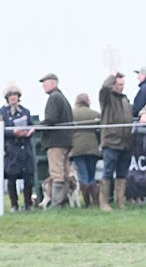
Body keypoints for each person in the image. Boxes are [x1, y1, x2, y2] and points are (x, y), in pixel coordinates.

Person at [98, 72, 133, 211]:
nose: (121, 87)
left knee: (122, 173)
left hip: (126, 142)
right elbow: (103, 88)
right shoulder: (106, 98)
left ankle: (120, 201)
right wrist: (111, 76)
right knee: (107, 172)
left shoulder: (125, 99)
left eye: (123, 84)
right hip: (111, 142)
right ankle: (104, 202)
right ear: (113, 85)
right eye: (119, 84)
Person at [39, 72, 73, 207]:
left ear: (53, 83)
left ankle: (57, 203)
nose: (43, 86)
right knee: (64, 172)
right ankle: (63, 201)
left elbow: (51, 119)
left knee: (56, 172)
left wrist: (37, 128)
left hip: (55, 141)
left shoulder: (53, 98)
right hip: (66, 140)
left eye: (45, 83)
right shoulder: (63, 98)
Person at [1, 85, 35, 212]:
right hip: (11, 150)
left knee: (28, 178)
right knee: (11, 178)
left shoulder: (25, 111)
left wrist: (29, 131)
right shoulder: (2, 112)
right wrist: (13, 132)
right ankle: (14, 205)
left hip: (25, 149)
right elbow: (2, 130)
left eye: (15, 95)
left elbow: (32, 126)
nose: (13, 97)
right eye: (10, 95)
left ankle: (28, 204)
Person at [71, 93, 100, 206]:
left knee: (83, 175)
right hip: (92, 147)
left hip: (77, 148)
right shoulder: (95, 114)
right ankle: (95, 201)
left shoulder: (72, 114)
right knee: (92, 175)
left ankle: (86, 202)